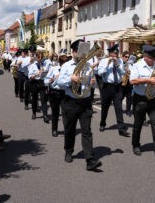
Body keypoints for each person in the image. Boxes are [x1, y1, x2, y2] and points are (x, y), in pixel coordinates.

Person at [57, 39, 102, 171]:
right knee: (69, 130)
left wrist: (93, 83)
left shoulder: (88, 66)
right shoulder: (66, 66)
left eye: (86, 51)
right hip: (70, 102)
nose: (84, 54)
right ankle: (68, 151)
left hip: (85, 102)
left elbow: (91, 85)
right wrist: (70, 79)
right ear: (74, 52)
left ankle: (89, 159)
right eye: (82, 51)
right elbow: (59, 83)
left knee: (86, 131)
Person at [97, 44, 129, 137]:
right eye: (114, 53)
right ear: (110, 53)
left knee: (118, 108)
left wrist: (117, 64)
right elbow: (99, 72)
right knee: (105, 107)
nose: (116, 54)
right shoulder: (103, 61)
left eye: (117, 53)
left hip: (118, 87)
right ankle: (102, 123)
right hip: (107, 87)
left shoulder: (119, 61)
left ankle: (121, 129)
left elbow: (123, 73)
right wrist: (108, 64)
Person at [44, 54, 68, 137]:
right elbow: (45, 81)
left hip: (64, 92)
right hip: (54, 92)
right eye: (65, 63)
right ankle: (54, 129)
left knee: (65, 112)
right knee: (55, 112)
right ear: (61, 63)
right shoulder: (54, 69)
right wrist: (52, 79)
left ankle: (67, 129)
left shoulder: (69, 70)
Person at [28, 52, 49, 123]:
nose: (40, 59)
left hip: (42, 83)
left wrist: (45, 73)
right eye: (39, 57)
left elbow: (48, 73)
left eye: (41, 57)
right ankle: (34, 113)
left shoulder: (44, 64)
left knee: (44, 100)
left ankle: (45, 115)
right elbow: (30, 76)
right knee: (34, 99)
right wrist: (35, 74)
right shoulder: (32, 65)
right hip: (34, 83)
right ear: (36, 58)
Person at [121, 51, 135, 116]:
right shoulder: (120, 64)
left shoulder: (131, 65)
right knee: (120, 97)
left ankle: (128, 111)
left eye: (128, 57)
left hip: (129, 83)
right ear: (122, 57)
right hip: (122, 83)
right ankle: (118, 109)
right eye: (126, 57)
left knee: (129, 98)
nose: (127, 58)